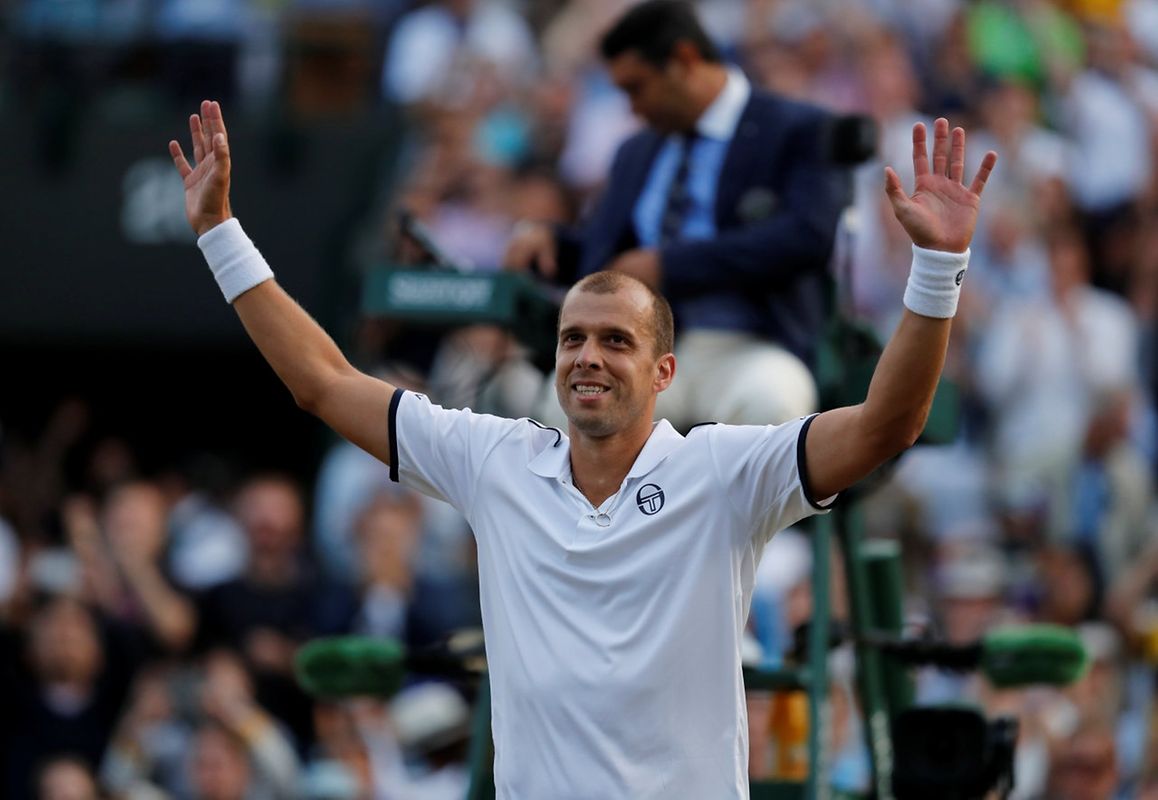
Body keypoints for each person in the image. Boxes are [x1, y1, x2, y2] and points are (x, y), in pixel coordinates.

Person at [169, 100, 994, 797]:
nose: (587, 357)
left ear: (665, 369)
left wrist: (937, 268)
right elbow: (321, 381)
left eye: (614, 340)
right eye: (571, 339)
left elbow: (888, 425)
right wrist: (219, 234)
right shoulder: (491, 460)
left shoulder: (726, 472)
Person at [504, 0, 852, 428]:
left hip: (751, 346)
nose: (632, 107)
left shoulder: (797, 128)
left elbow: (807, 236)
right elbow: (611, 259)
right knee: (559, 415)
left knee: (772, 407)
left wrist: (670, 265)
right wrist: (553, 243)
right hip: (639, 351)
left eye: (637, 87)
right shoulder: (636, 150)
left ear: (684, 60)